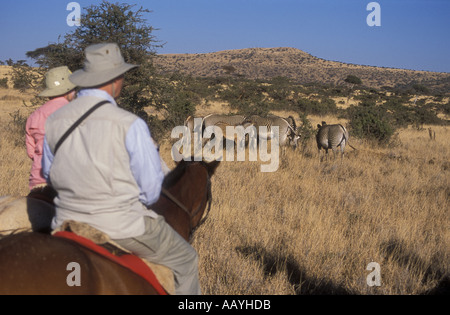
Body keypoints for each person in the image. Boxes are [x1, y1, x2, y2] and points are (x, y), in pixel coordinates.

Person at [42, 43, 200, 295]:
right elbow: (150, 192)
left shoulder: (55, 120)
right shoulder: (130, 124)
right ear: (115, 80)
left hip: (65, 221)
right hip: (119, 226)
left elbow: (48, 175)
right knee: (187, 259)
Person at [26, 66, 76, 202]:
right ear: (69, 91)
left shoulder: (34, 116)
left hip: (37, 183)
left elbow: (31, 153)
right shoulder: (76, 112)